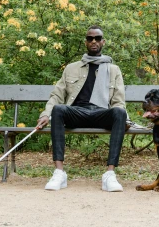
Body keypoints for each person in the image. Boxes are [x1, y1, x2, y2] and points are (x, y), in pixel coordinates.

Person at [36, 25, 126, 192]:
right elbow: (57, 95)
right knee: (58, 109)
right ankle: (59, 172)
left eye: (97, 38)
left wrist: (122, 118)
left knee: (120, 112)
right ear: (85, 42)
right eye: (90, 38)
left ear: (103, 42)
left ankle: (110, 175)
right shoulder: (72, 68)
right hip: (77, 113)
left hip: (101, 113)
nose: (94, 41)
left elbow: (118, 102)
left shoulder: (113, 70)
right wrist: (46, 114)